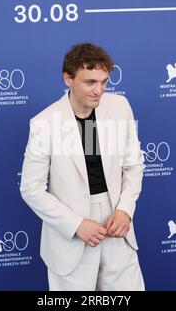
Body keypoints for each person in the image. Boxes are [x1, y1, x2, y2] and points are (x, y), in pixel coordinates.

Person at [20, 43, 145, 291]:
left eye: (104, 81)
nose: (99, 90)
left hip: (116, 225)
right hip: (70, 238)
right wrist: (75, 224)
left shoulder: (120, 107)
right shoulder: (45, 123)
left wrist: (125, 211)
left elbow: (133, 165)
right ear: (68, 79)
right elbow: (31, 188)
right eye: (90, 82)